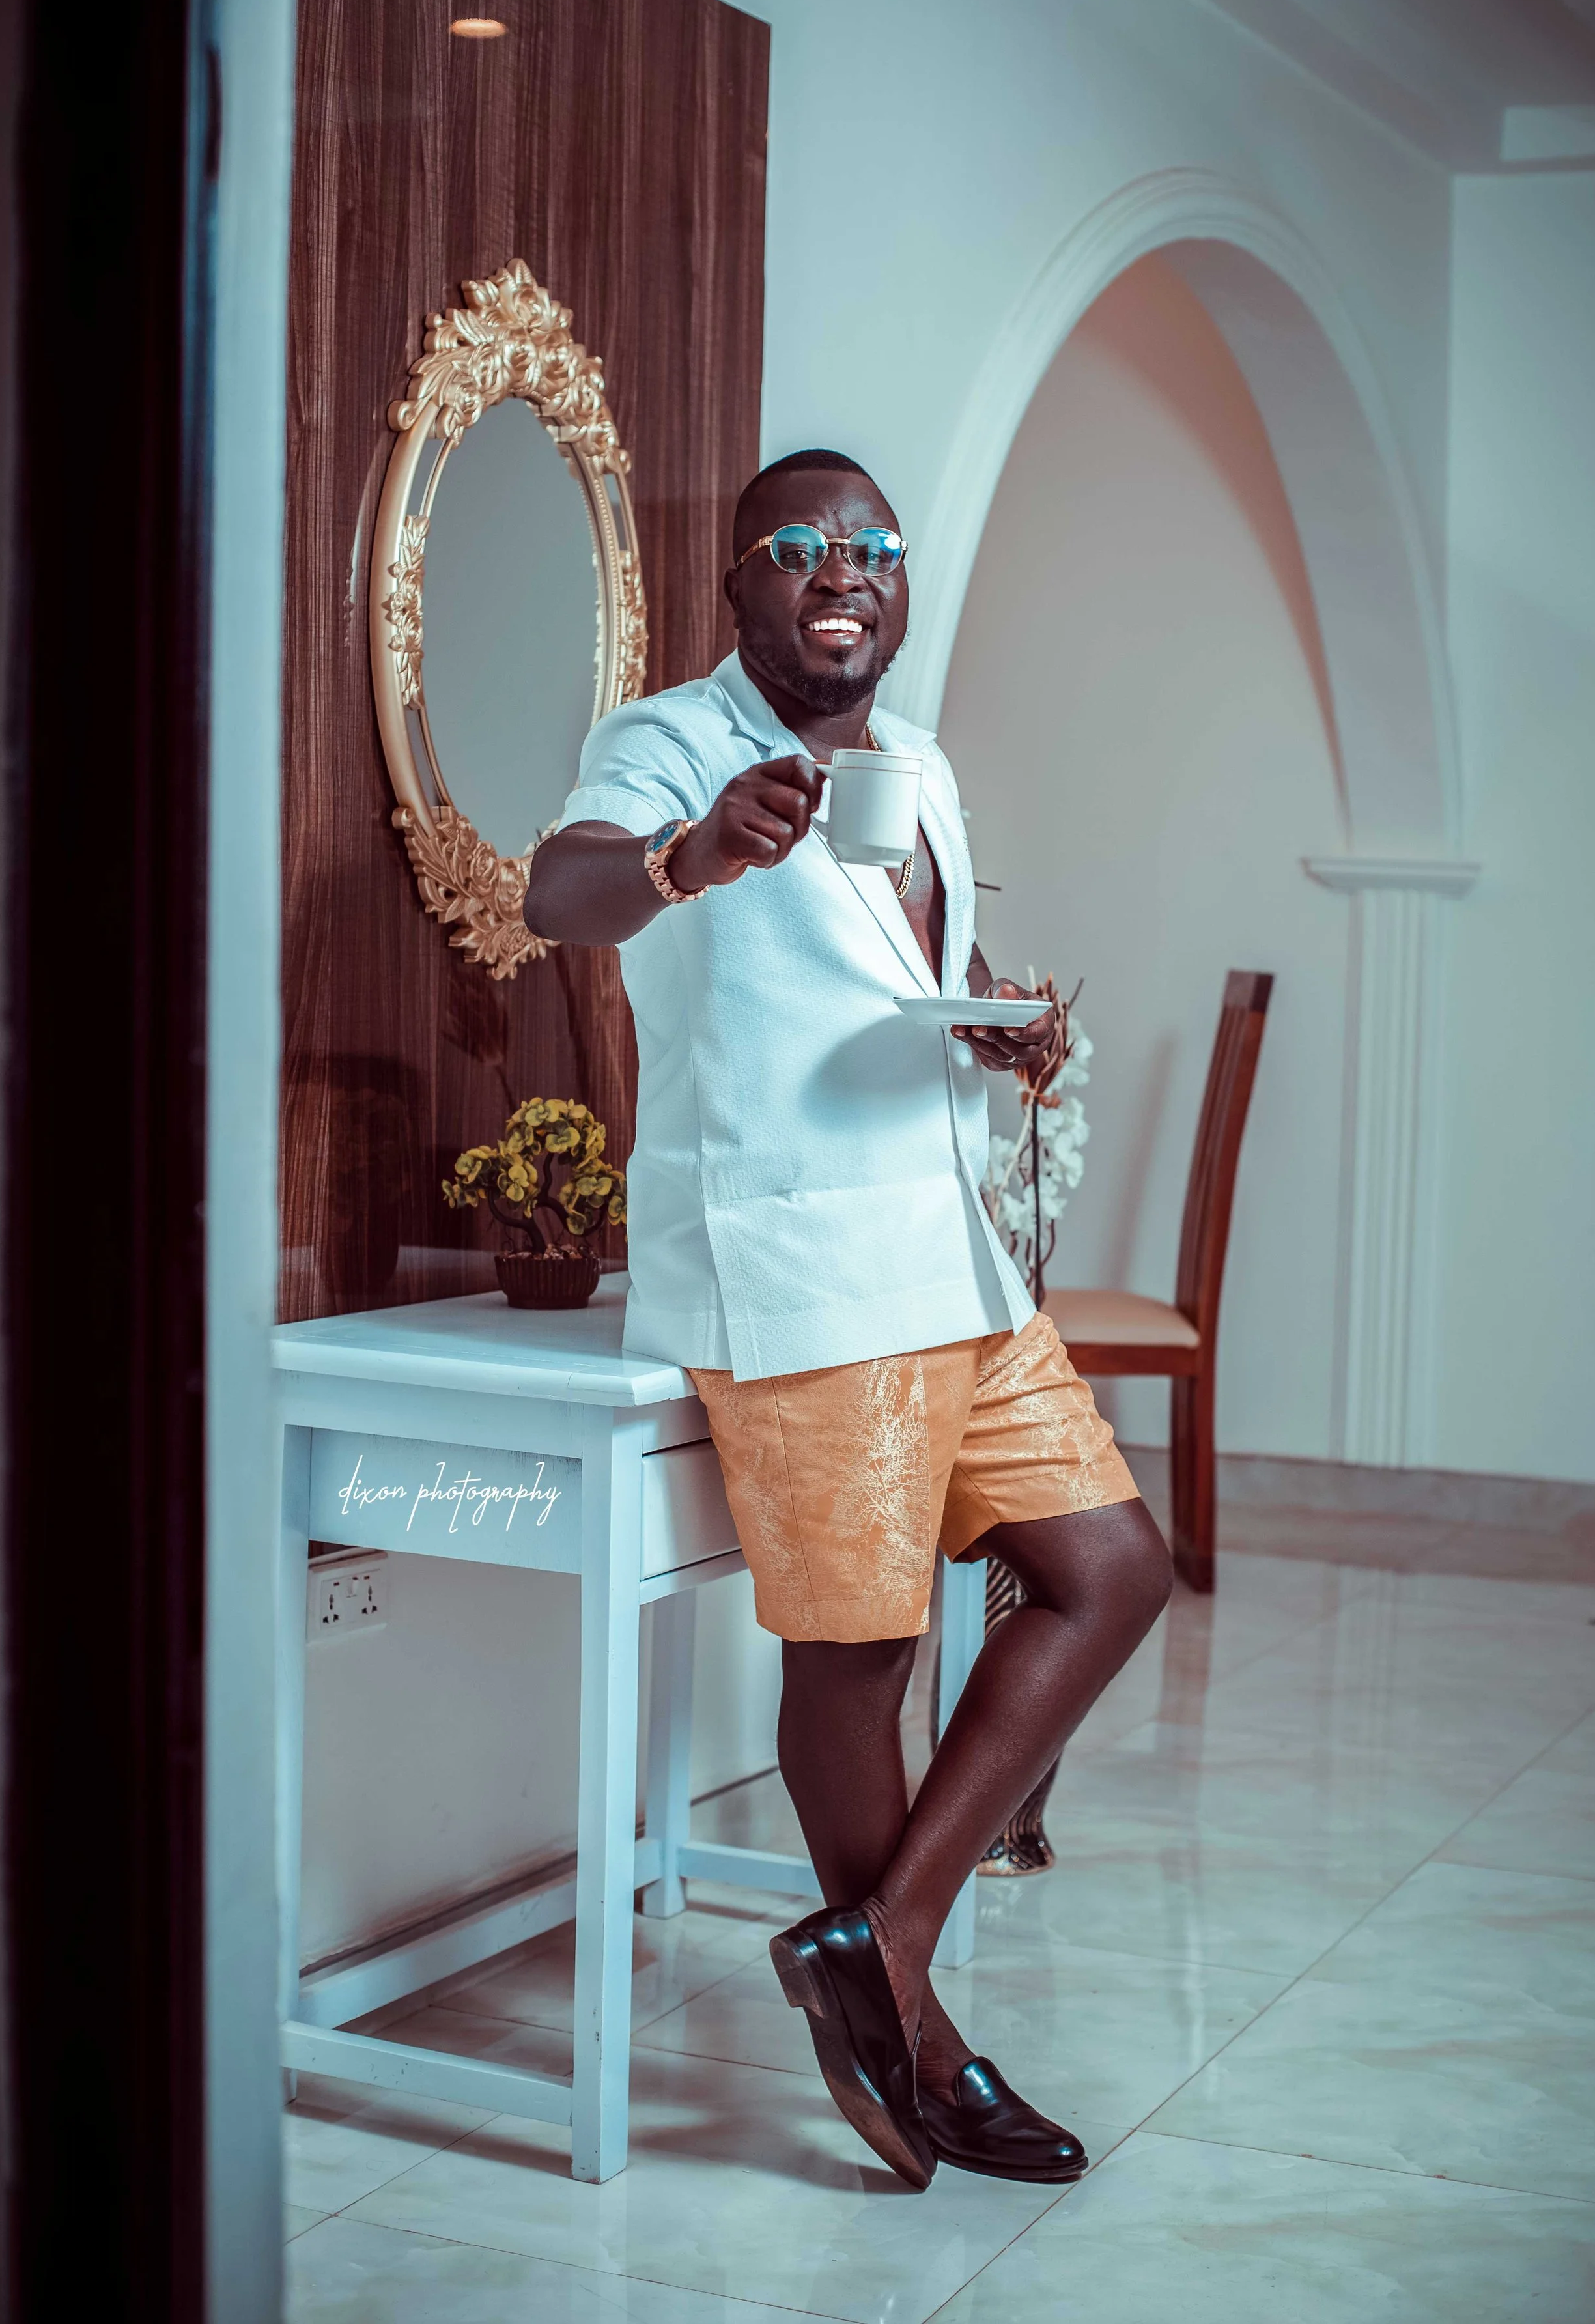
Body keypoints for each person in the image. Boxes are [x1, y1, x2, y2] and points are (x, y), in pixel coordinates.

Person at [526, 449, 1172, 2191]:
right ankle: (925, 2034)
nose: (844, 571)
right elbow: (557, 891)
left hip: (943, 1250)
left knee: (1113, 1568)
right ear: (740, 582)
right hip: (797, 1266)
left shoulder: (923, 764)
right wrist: (688, 849)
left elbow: (891, 988)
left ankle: (869, 1950)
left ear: (898, 586)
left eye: (874, 549)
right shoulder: (668, 740)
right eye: (802, 548)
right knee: (859, 1653)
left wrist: (995, 1030)